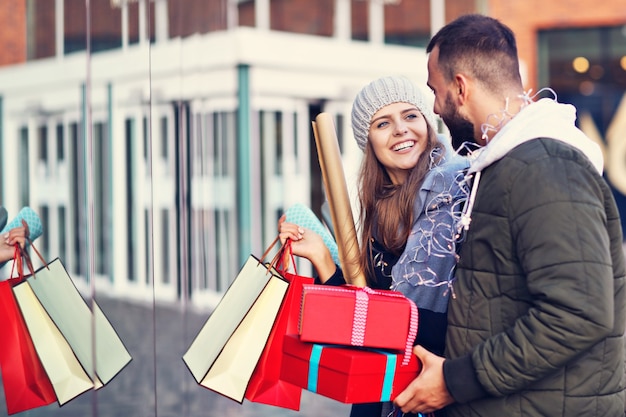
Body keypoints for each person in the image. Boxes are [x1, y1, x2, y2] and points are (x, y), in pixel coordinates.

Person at [393, 14, 626, 417]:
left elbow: (578, 312)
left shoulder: (546, 165)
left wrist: (455, 381)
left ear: (461, 87)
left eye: (436, 91)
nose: (434, 107)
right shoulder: (508, 163)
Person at [278, 75, 469, 417]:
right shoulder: (379, 209)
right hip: (378, 391)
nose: (400, 129)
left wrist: (369, 316)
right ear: (369, 142)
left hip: (431, 392)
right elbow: (363, 321)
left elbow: (419, 324)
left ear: (427, 121)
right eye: (383, 123)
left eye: (410, 115)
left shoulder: (453, 197)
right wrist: (322, 259)